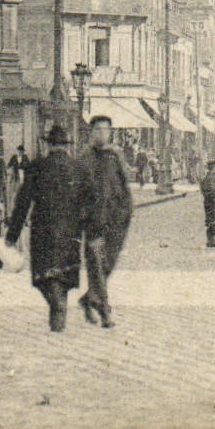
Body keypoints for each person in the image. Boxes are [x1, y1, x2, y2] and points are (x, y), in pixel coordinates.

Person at [4, 125, 91, 333]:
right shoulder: (78, 168)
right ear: (67, 147)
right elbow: (89, 204)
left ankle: (57, 309)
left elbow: (22, 203)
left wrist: (12, 235)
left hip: (43, 232)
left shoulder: (37, 167)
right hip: (70, 234)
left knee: (45, 277)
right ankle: (59, 307)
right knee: (63, 276)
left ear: (49, 145)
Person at [78, 115, 132, 328]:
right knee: (98, 267)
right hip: (94, 223)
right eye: (98, 130)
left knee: (108, 264)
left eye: (106, 130)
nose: (102, 134)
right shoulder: (84, 159)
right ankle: (105, 311)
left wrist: (127, 211)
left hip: (116, 221)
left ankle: (89, 299)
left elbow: (124, 185)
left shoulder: (114, 157)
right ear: (91, 133)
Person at [200, 158, 215, 248]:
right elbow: (208, 189)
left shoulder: (210, 176)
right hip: (212, 202)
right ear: (213, 167)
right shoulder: (211, 176)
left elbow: (204, 188)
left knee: (212, 220)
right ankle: (211, 241)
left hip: (210, 201)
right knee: (212, 220)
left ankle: (211, 240)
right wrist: (214, 197)